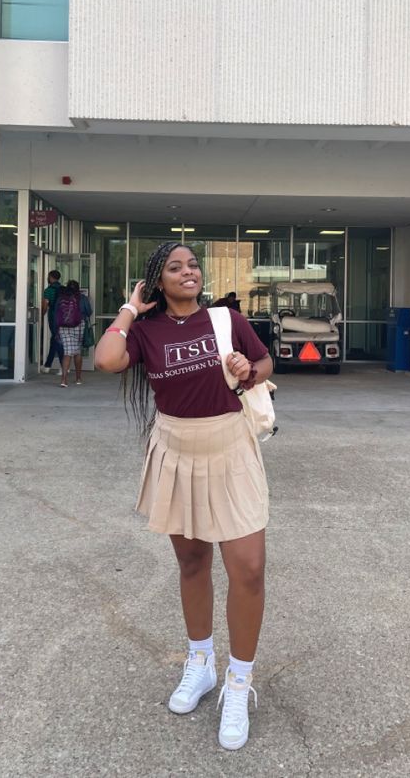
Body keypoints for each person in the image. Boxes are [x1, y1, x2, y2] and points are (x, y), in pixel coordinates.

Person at [94, 243, 273, 751]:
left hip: (230, 448)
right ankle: (201, 665)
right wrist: (130, 309)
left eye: (193, 265)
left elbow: (265, 366)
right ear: (158, 281)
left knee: (249, 568)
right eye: (175, 268)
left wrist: (246, 369)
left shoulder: (226, 319)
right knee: (193, 563)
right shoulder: (146, 332)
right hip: (176, 449)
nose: (188, 272)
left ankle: (238, 684)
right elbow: (107, 359)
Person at [57, 279, 92, 386]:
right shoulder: (82, 298)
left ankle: (63, 380)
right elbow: (89, 312)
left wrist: (56, 330)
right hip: (79, 325)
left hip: (63, 327)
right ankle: (78, 378)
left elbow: (56, 314)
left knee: (67, 352)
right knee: (77, 351)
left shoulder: (61, 298)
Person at [42, 270, 63, 374]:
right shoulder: (63, 289)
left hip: (53, 318)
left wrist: (40, 316)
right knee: (54, 340)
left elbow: (45, 306)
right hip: (64, 318)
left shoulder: (48, 290)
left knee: (57, 340)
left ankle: (63, 366)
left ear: (50, 277)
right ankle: (47, 365)